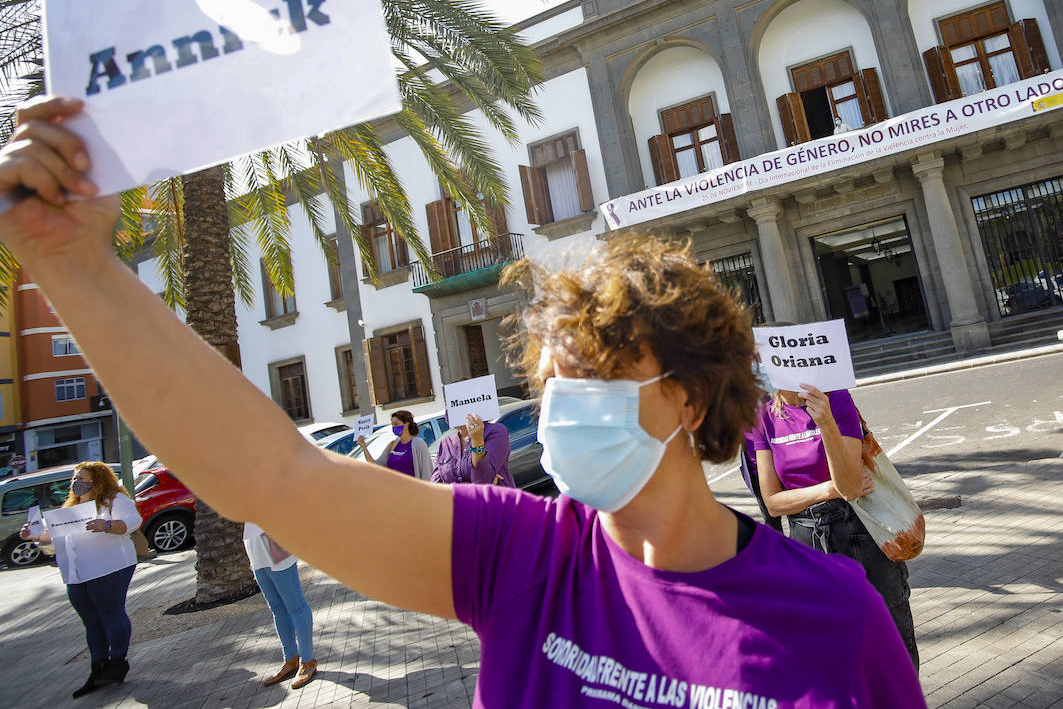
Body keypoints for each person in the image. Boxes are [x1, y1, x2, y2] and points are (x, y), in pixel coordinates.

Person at [0, 96, 923, 707]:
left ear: (685, 399)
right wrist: (73, 267)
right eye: (549, 383)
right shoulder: (520, 556)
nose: (562, 407)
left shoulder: (837, 618)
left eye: (595, 377)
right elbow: (273, 474)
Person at [751, 383, 921, 671]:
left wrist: (826, 423)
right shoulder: (764, 415)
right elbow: (773, 503)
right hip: (807, 542)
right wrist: (828, 489)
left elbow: (852, 485)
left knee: (892, 649)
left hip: (859, 531)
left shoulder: (835, 398)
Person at [21, 460, 140, 697]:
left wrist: (106, 524)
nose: (77, 483)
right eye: (75, 479)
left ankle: (118, 661)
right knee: (91, 621)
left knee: (111, 613)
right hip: (77, 573)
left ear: (97, 480)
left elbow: (132, 522)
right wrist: (33, 535)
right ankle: (98, 667)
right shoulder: (69, 508)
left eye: (83, 479)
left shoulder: (114, 500)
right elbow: (51, 538)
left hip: (109, 567)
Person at [243, 522, 316, 689]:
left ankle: (308, 661)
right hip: (255, 549)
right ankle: (290, 660)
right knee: (277, 608)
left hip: (276, 545)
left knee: (295, 605)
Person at [432, 413, 514, 487]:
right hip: (459, 503)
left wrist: (477, 440)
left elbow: (483, 481)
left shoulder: (496, 431)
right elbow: (435, 487)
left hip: (493, 502)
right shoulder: (445, 443)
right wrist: (467, 487)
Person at [357, 410, 433, 480]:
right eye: (392, 424)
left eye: (396, 424)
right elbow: (376, 465)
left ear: (406, 424)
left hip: (411, 492)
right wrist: (364, 447)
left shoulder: (418, 444)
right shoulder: (393, 444)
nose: (394, 427)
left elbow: (427, 472)